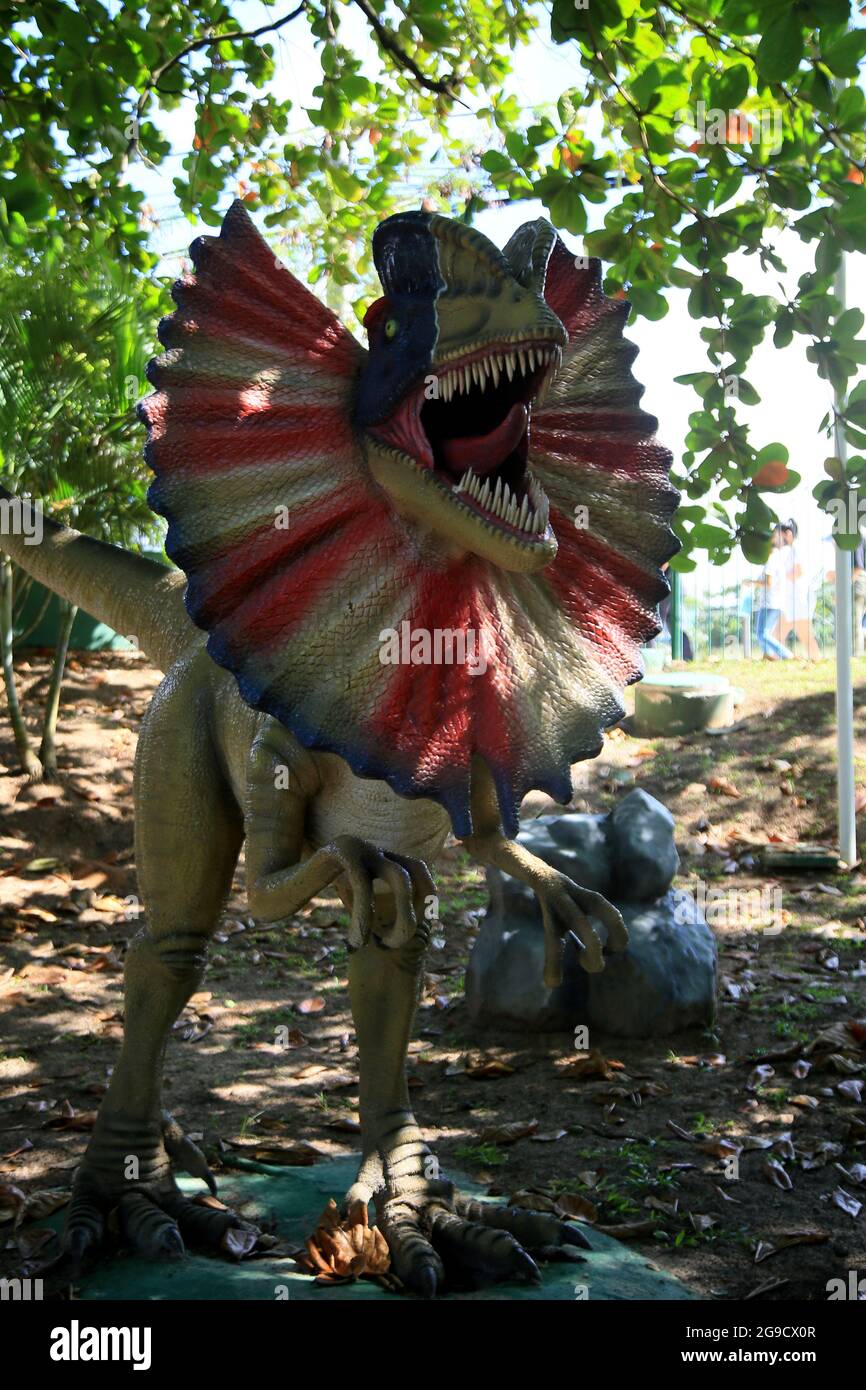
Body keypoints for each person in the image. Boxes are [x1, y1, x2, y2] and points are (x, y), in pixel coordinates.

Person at [780, 519, 820, 659]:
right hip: (793, 600)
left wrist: (779, 578)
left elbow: (799, 571)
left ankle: (816, 660)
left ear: (788, 534)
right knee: (776, 634)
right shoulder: (792, 550)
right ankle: (776, 658)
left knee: (805, 636)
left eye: (780, 535)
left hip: (799, 600)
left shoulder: (797, 549)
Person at [753, 525, 791, 660]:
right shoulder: (778, 557)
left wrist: (751, 583)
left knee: (762, 633)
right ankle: (769, 657)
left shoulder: (771, 558)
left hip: (770, 601)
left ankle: (787, 655)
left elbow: (769, 583)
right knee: (763, 633)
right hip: (776, 601)